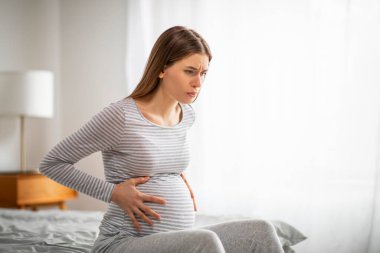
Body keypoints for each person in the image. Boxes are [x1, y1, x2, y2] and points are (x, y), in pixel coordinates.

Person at [39, 26, 284, 253]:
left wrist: (175, 177)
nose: (198, 83)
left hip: (178, 236)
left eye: (203, 73)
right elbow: (52, 163)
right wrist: (114, 193)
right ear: (161, 68)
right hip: (122, 242)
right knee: (205, 242)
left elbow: (158, 158)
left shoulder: (186, 114)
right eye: (190, 71)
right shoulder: (121, 116)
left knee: (261, 231)